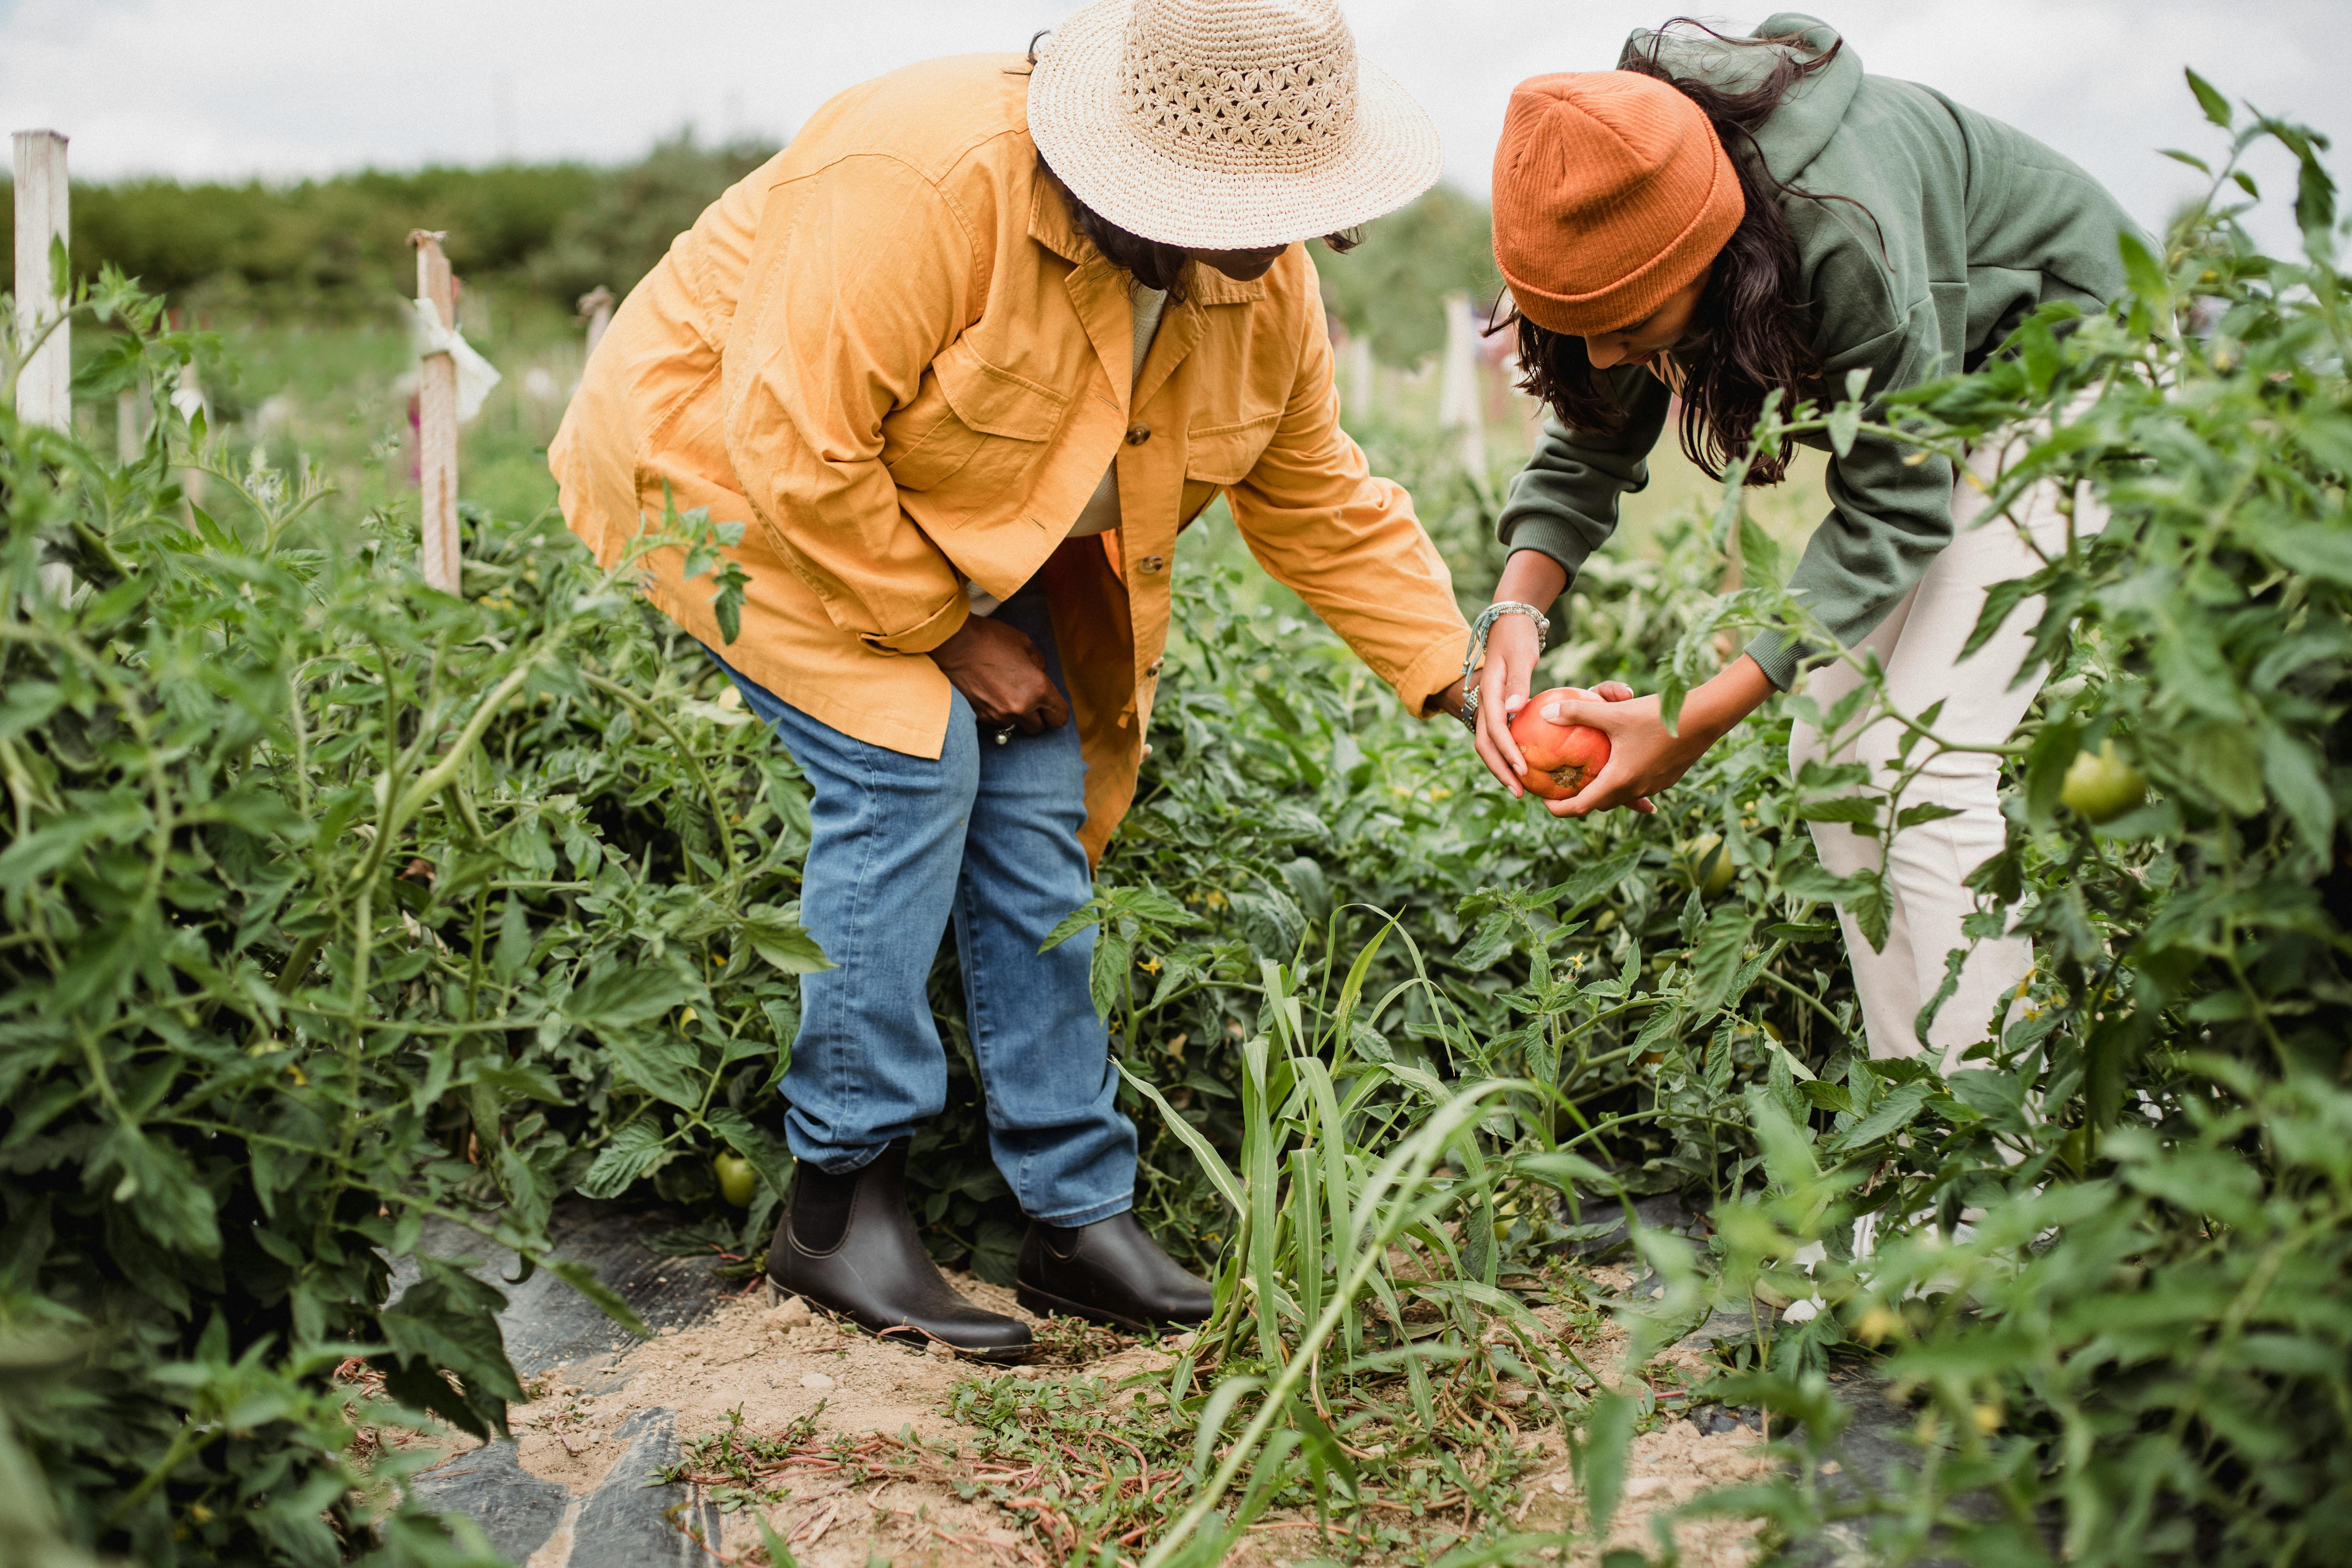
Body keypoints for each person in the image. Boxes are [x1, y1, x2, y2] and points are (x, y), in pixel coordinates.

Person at [550, 0, 1474, 1360]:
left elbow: (1316, 495)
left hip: (954, 510)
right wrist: (950, 632)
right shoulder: (925, 181)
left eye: (1294, 211)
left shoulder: (1255, 278)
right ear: (1136, 168)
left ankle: (1074, 1214)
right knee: (910, 757)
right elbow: (795, 446)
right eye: (1241, 212)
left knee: (1036, 800)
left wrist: (1460, 680)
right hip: (728, 479)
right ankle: (837, 1201)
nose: (1270, 248)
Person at [1470, 14, 2132, 1067]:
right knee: (1830, 751)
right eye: (1578, 324)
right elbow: (1588, 444)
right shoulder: (1612, 197)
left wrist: (1686, 720)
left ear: (1718, 259)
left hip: (2079, 369)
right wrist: (1515, 612)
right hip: (1959, 402)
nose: (1603, 351)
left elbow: (1896, 507)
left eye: (1632, 325)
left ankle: (2003, 1180)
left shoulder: (1839, 228)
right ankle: (1914, 1132)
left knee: (1924, 753)